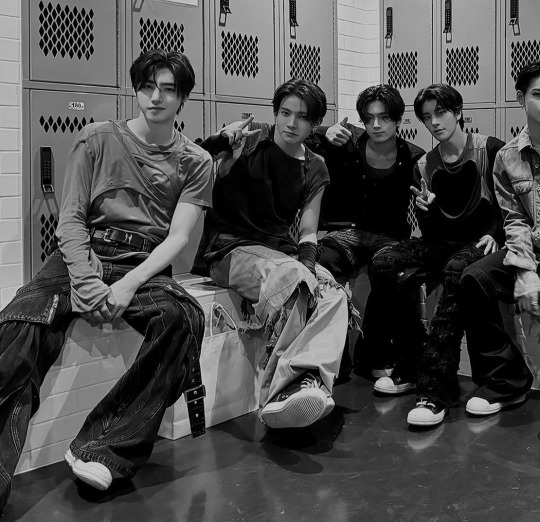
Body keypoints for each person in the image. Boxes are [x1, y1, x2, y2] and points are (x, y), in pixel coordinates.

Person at [0, 49, 213, 512]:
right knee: (19, 325)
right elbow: (71, 218)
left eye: (168, 89)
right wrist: (86, 280)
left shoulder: (196, 160)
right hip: (84, 252)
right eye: (147, 87)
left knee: (183, 320)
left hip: (144, 261)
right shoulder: (96, 137)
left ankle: (104, 448)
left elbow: (177, 238)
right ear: (136, 89)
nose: (155, 97)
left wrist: (128, 284)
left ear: (183, 98)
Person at [199, 79, 349, 430]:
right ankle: (280, 392)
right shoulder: (250, 139)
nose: (291, 123)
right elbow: (191, 159)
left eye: (302, 117)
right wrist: (222, 143)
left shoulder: (315, 166)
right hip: (229, 249)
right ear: (276, 113)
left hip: (280, 254)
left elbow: (308, 231)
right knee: (293, 279)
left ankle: (307, 381)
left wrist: (309, 267)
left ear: (315, 125)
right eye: (285, 113)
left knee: (333, 292)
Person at [370, 84, 505, 427]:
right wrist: (426, 210)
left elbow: (510, 206)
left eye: (441, 113)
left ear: (458, 112)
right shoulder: (424, 164)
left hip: (481, 243)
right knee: (384, 262)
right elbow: (431, 233)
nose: (434, 122)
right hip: (443, 243)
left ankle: (435, 389)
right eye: (427, 117)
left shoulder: (490, 150)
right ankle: (412, 362)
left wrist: (497, 233)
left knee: (456, 269)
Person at [306, 85, 424, 379]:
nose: (376, 125)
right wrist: (324, 132)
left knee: (388, 271)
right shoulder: (346, 141)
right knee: (318, 267)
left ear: (398, 120)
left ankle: (372, 355)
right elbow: (296, 135)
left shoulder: (413, 157)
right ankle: (329, 361)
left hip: (389, 237)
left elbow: (427, 206)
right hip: (346, 234)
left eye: (384, 118)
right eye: (369, 118)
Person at [459, 62, 540, 417]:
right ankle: (506, 382)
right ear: (520, 98)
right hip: (531, 248)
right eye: (538, 94)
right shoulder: (507, 157)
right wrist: (525, 270)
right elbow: (515, 219)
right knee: (475, 278)